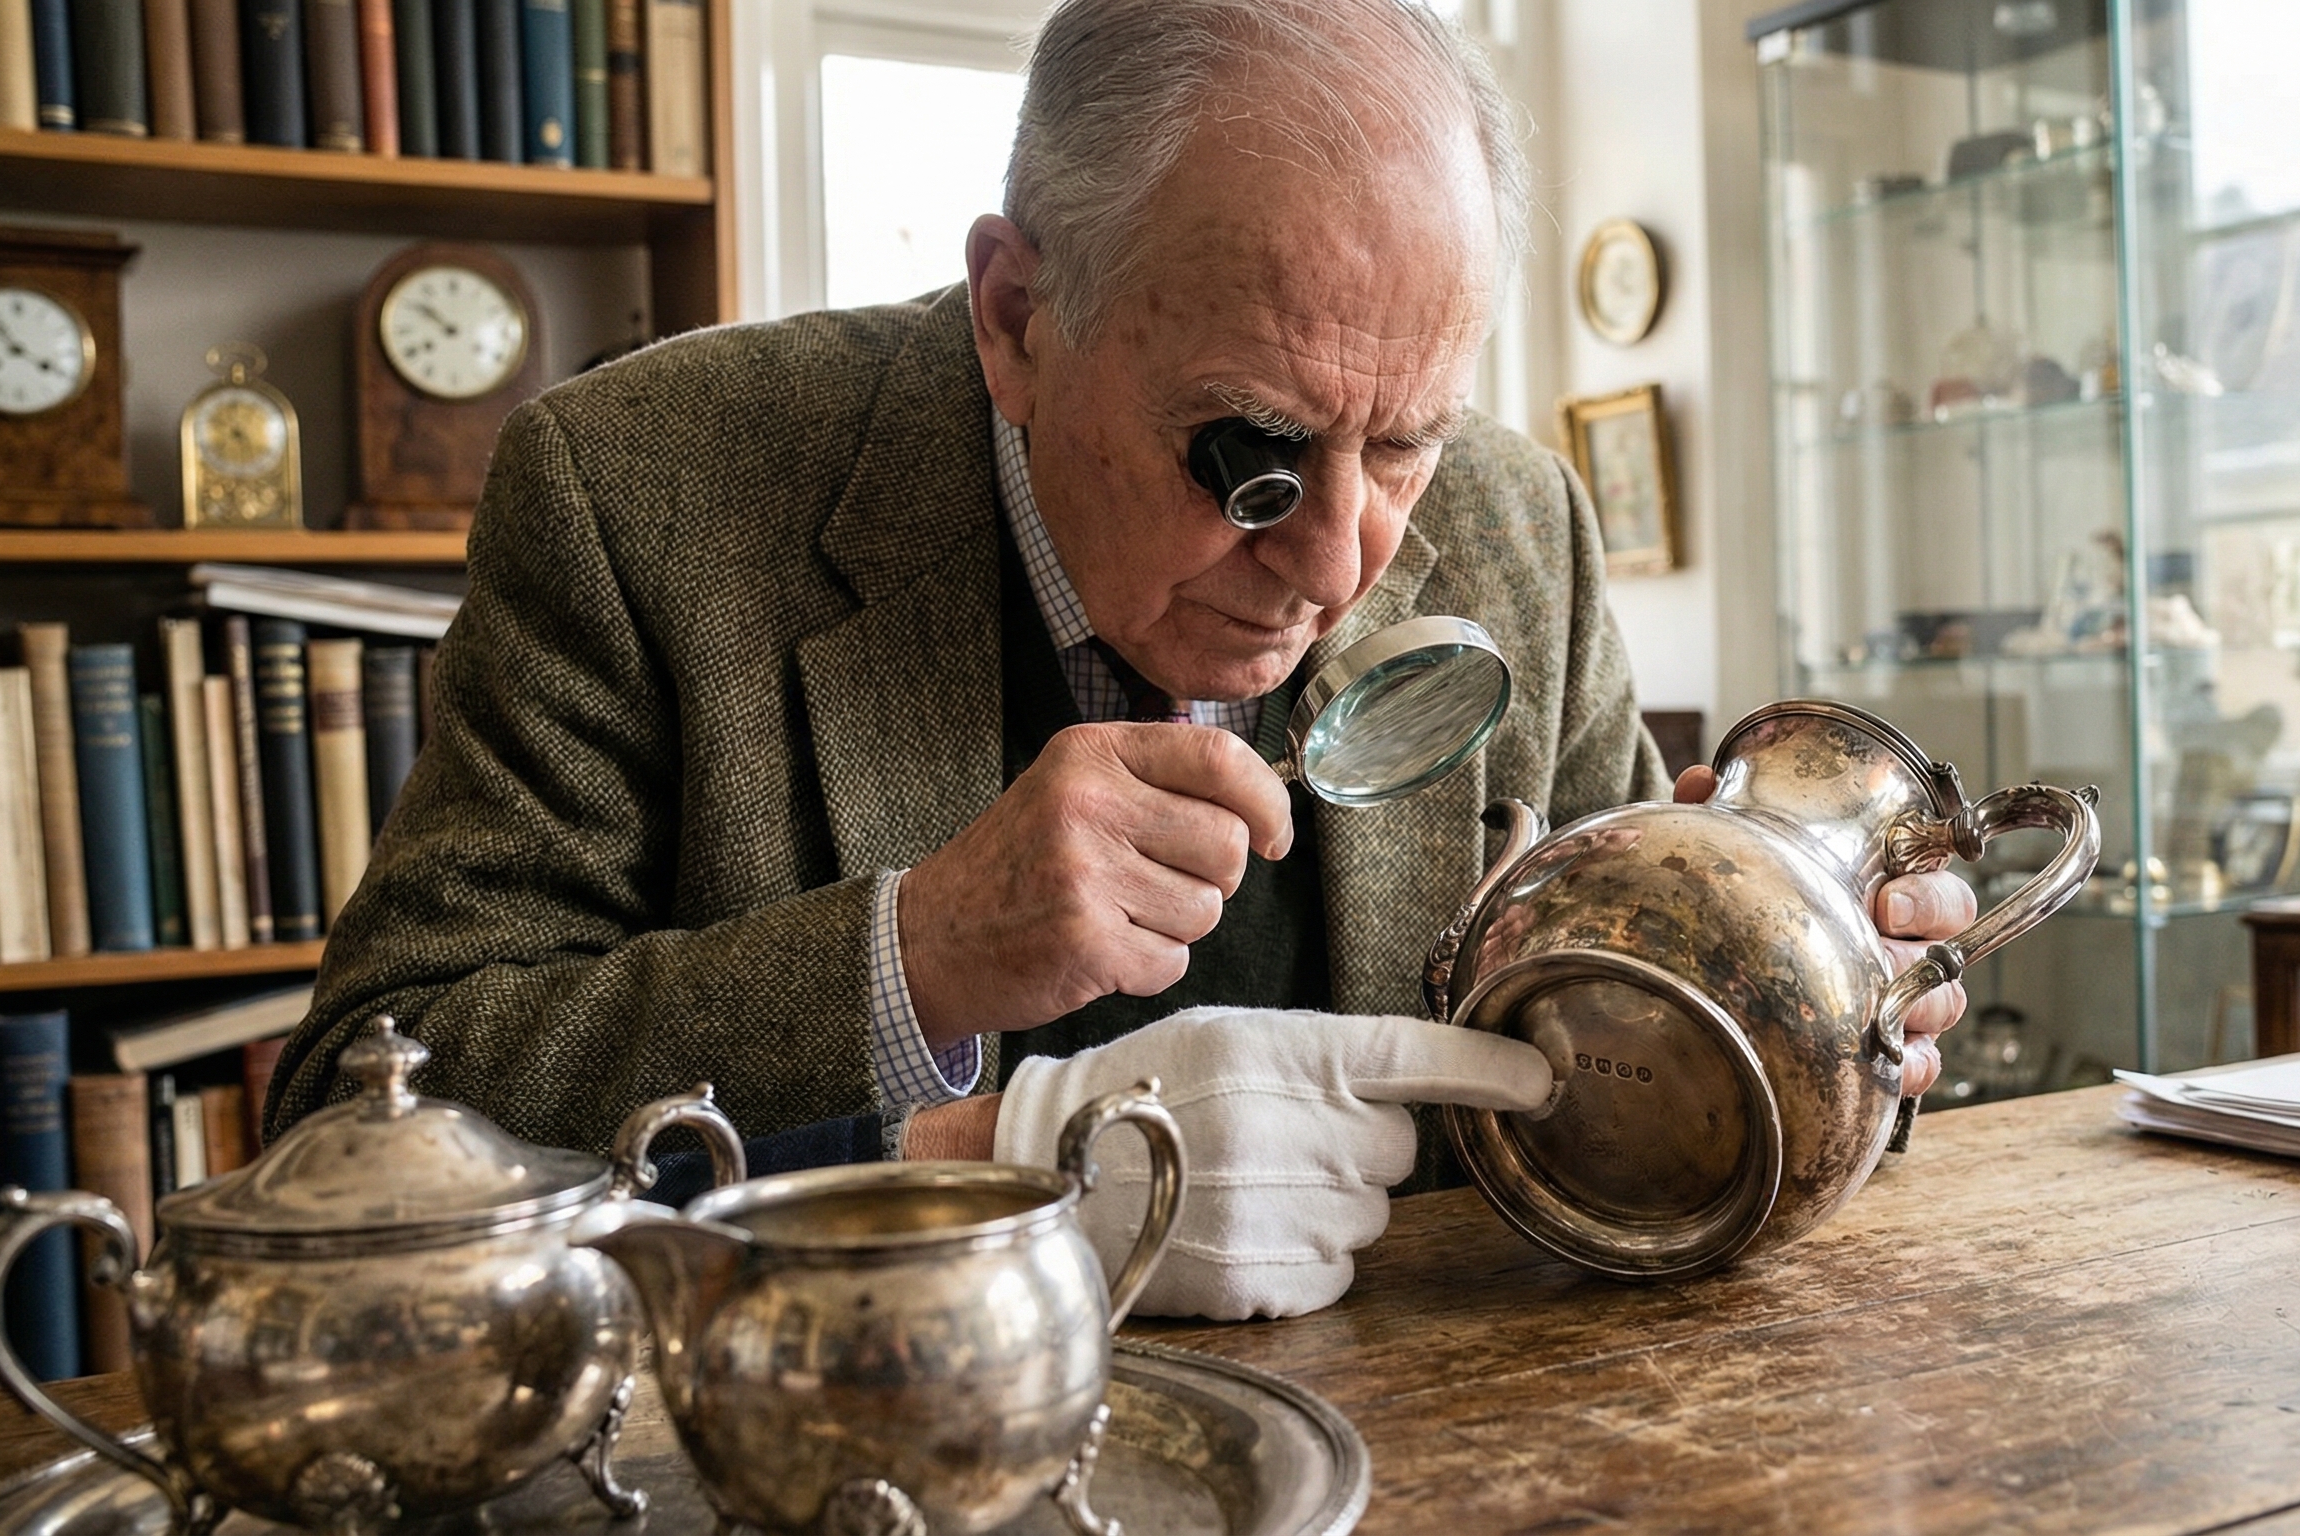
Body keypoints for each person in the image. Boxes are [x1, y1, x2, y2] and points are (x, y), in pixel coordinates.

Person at [263, 0, 1975, 1320]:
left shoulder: (1522, 525)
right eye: (1249, 454)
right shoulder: (643, 491)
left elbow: (1606, 1096)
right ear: (1016, 317)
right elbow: (356, 1113)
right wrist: (931, 1004)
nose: (1337, 565)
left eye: (1403, 446)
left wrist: (1794, 1018)